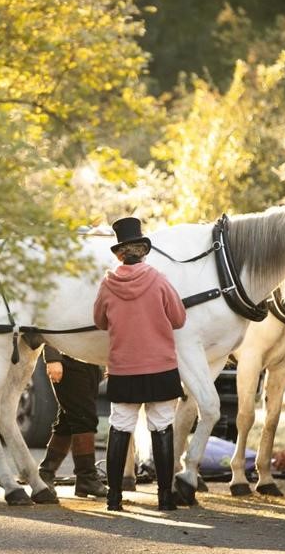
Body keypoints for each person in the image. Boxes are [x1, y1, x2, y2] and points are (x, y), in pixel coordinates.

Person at [93, 217, 186, 512]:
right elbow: (179, 319)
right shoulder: (158, 279)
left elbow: (99, 321)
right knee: (161, 427)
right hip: (160, 367)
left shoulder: (108, 284)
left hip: (124, 368)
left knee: (120, 427)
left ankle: (114, 498)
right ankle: (165, 498)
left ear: (120, 254)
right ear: (143, 251)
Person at [36, 344, 108, 499]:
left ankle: (46, 473)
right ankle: (86, 477)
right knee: (84, 418)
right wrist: (52, 358)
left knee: (68, 421)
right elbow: (51, 322)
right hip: (67, 360)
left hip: (90, 362)